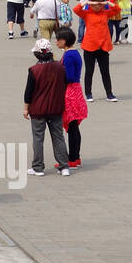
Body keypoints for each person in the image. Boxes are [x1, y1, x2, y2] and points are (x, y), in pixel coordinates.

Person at [23, 39, 70, 177]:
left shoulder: (34, 70)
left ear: (37, 54)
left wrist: (26, 108)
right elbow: (65, 84)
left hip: (38, 109)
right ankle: (64, 166)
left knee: (38, 138)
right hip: (56, 107)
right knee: (58, 137)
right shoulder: (60, 68)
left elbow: (28, 92)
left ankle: (38, 167)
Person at [74, 0, 117, 101]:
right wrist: (87, 2)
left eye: (99, 4)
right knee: (89, 71)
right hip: (90, 46)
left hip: (103, 46)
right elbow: (76, 9)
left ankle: (109, 94)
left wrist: (107, 2)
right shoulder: (87, 13)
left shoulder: (105, 13)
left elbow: (117, 9)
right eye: (94, 4)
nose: (97, 6)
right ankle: (88, 94)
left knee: (105, 72)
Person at [55, 28, 87, 167]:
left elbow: (70, 76)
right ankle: (75, 157)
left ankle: (72, 159)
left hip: (70, 93)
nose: (56, 42)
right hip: (75, 91)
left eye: (58, 40)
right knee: (74, 128)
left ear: (64, 41)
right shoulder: (73, 53)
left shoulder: (68, 55)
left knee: (72, 127)